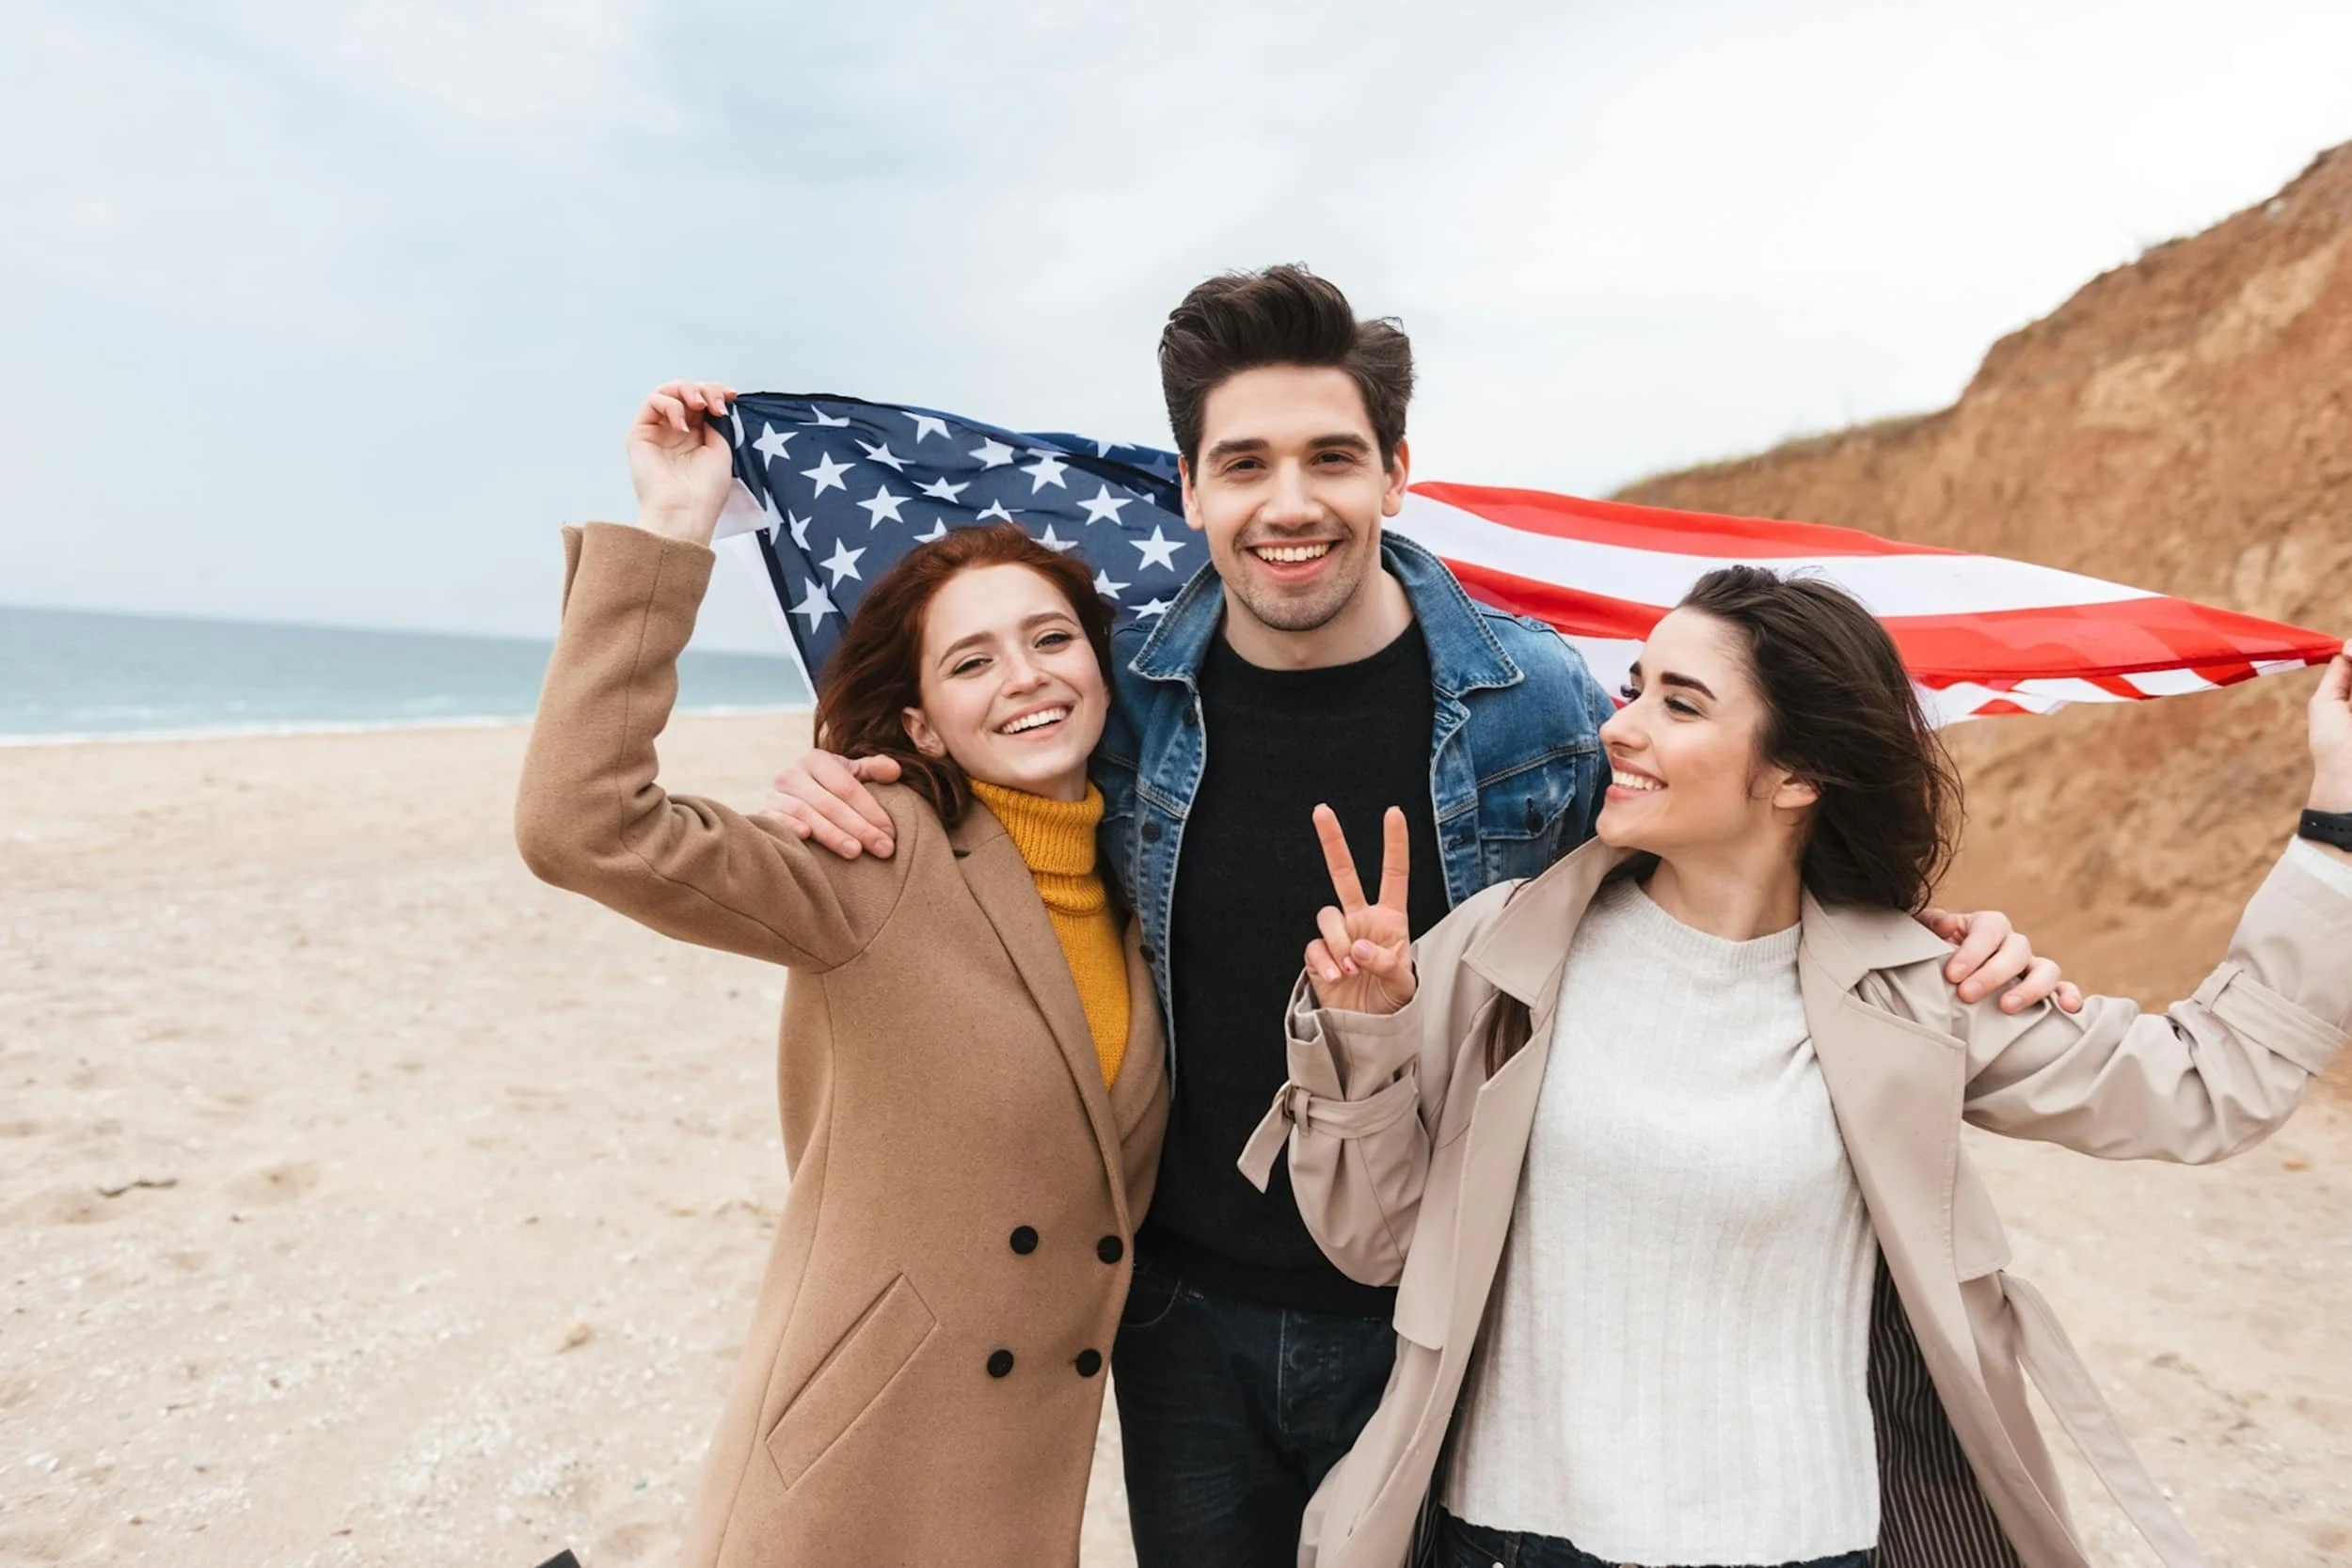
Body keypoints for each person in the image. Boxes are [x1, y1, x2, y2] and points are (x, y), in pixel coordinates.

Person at [756, 266, 2073, 1568]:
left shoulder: (1541, 701)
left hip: (1454, 1312)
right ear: (1194, 486)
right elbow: (991, 805)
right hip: (1179, 1317)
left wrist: (1905, 930)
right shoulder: (1129, 697)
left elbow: (1719, 879)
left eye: (1330, 456)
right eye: (1245, 462)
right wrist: (847, 764)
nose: (1289, 502)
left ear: (1394, 471)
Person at [1251, 568, 2352, 1568]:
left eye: (1678, 704)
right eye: (1631, 688)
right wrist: (1365, 1035)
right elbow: (1374, 1243)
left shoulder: (1920, 987)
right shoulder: (1503, 949)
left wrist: (2334, 826)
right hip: (1510, 1539)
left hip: (1798, 1544)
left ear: (1795, 774)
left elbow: (2209, 1083)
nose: (1618, 727)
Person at [514, 382, 1168, 1568]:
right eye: (970, 660)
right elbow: (581, 820)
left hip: (1023, 1496)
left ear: (1101, 666)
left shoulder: (1145, 887)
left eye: (1052, 637)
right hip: (850, 1482)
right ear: (920, 725)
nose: (1024, 675)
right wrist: (673, 523)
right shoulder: (873, 853)